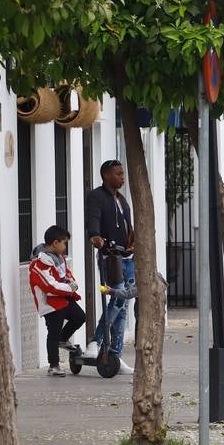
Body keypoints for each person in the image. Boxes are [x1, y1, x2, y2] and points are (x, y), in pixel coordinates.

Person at [84, 159, 134, 374]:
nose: (122, 177)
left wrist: (134, 243)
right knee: (117, 301)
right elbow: (93, 218)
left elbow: (127, 226)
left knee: (124, 307)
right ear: (106, 176)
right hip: (110, 258)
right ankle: (95, 342)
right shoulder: (97, 196)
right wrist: (95, 235)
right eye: (118, 174)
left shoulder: (122, 200)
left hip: (128, 258)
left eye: (123, 173)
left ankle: (115, 355)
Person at [29, 225, 84, 377]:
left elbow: (66, 273)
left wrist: (71, 283)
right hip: (50, 304)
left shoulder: (59, 257)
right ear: (55, 243)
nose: (65, 246)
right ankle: (53, 365)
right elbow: (49, 285)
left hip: (63, 299)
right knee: (53, 332)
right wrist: (70, 288)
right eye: (64, 243)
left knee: (80, 317)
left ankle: (63, 339)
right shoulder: (39, 263)